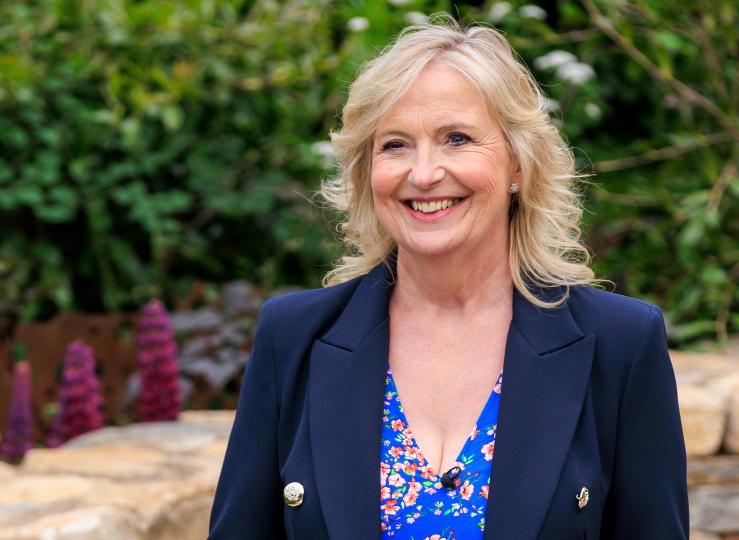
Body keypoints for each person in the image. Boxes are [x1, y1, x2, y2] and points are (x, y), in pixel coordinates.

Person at [209, 17, 688, 540]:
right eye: (394, 145)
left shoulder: (620, 345)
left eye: (456, 138)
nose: (423, 173)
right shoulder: (292, 337)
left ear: (518, 164)